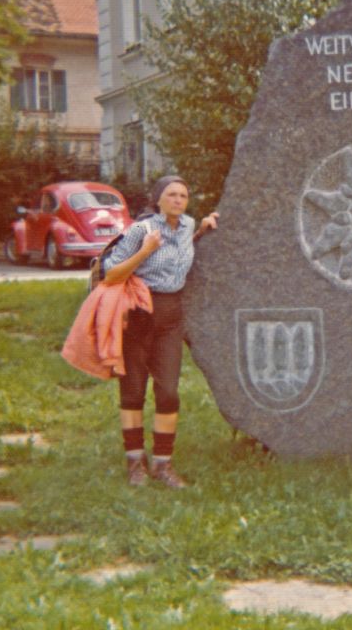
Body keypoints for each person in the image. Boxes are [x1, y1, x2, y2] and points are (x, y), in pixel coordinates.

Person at [102, 175, 218, 488]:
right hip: (138, 316)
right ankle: (134, 463)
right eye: (172, 194)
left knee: (168, 393)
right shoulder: (142, 230)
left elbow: (179, 257)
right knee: (133, 392)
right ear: (158, 199)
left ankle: (163, 465)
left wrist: (203, 230)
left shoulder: (187, 226)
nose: (178, 200)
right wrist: (144, 251)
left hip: (170, 319)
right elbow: (110, 272)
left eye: (183, 194)